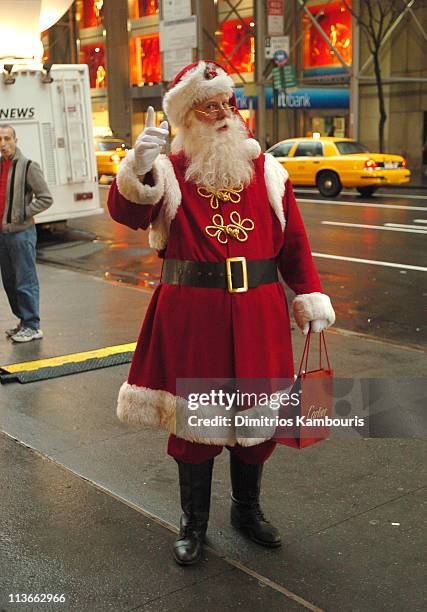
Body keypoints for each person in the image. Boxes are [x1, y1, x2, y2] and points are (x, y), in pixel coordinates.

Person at [107, 61, 335, 566]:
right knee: (196, 428)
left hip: (258, 313)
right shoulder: (168, 171)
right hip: (194, 317)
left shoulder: (267, 170)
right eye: (209, 106)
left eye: (226, 103)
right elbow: (129, 213)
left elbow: (294, 242)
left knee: (256, 424)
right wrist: (138, 167)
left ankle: (246, 510)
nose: (223, 113)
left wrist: (310, 296)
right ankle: (193, 522)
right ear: (188, 116)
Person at [0, 124, 53, 342]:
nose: (3, 144)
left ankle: (33, 325)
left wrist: (22, 213)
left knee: (25, 280)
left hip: (22, 234)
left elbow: (46, 198)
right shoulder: (1, 165)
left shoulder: (29, 165)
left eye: (7, 138)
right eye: (0, 140)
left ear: (15, 140)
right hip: (3, 234)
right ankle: (23, 321)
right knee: (10, 281)